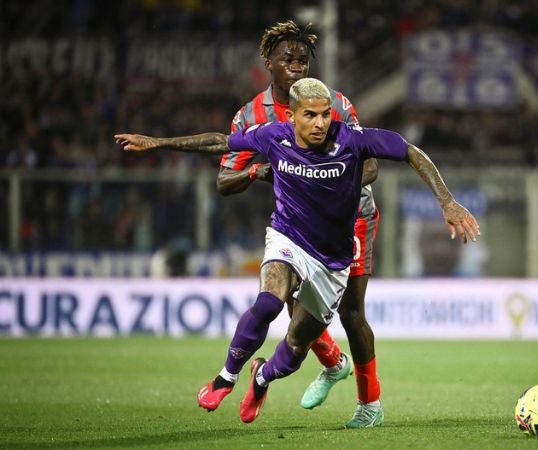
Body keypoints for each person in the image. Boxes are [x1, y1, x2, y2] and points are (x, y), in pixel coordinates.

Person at [115, 77, 480, 425]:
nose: (320, 122)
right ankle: (225, 378)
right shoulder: (274, 135)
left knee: (293, 350)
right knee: (269, 302)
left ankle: (262, 378)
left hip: (332, 261)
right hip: (287, 238)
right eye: (310, 115)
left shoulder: (352, 139)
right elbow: (220, 142)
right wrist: (158, 142)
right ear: (291, 116)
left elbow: (411, 151)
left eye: (325, 114)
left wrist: (447, 202)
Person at [116, 20, 385, 428]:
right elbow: (224, 180)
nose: (297, 66)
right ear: (268, 64)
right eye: (287, 59)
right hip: (297, 220)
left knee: (350, 313)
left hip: (351, 219)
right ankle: (328, 363)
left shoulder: (335, 104)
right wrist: (259, 172)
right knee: (286, 301)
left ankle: (369, 403)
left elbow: (370, 165)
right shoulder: (252, 116)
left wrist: (330, 181)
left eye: (303, 59)